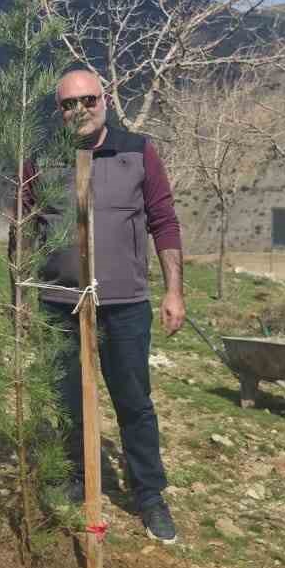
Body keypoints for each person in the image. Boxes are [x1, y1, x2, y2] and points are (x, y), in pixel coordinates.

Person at [22, 68, 186, 543]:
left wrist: (174, 291)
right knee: (67, 398)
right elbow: (24, 225)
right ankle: (75, 477)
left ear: (105, 100)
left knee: (134, 402)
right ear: (59, 110)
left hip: (124, 303)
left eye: (88, 100)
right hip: (59, 303)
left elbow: (164, 222)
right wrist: (20, 294)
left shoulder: (138, 152)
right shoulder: (40, 158)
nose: (80, 110)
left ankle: (150, 495)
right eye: (68, 104)